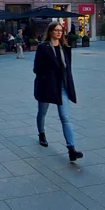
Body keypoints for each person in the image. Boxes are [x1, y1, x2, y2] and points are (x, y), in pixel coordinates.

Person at [33, 21, 84, 162]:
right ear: (50, 32)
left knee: (65, 117)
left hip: (62, 87)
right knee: (42, 112)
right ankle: (41, 133)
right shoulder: (42, 47)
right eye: (56, 30)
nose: (58, 32)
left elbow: (68, 70)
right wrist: (46, 77)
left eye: (60, 30)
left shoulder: (65, 48)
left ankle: (71, 149)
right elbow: (36, 69)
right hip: (47, 86)